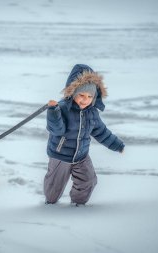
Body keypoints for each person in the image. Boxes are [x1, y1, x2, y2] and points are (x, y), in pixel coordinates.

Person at [44, 64, 125, 206]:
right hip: (60, 155)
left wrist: (117, 145)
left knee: (89, 180)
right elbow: (56, 130)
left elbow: (101, 132)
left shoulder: (92, 112)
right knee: (53, 188)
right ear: (73, 91)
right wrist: (53, 111)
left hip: (81, 156)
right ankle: (50, 204)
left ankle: (78, 204)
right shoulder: (62, 108)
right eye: (81, 95)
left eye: (89, 96)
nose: (85, 100)